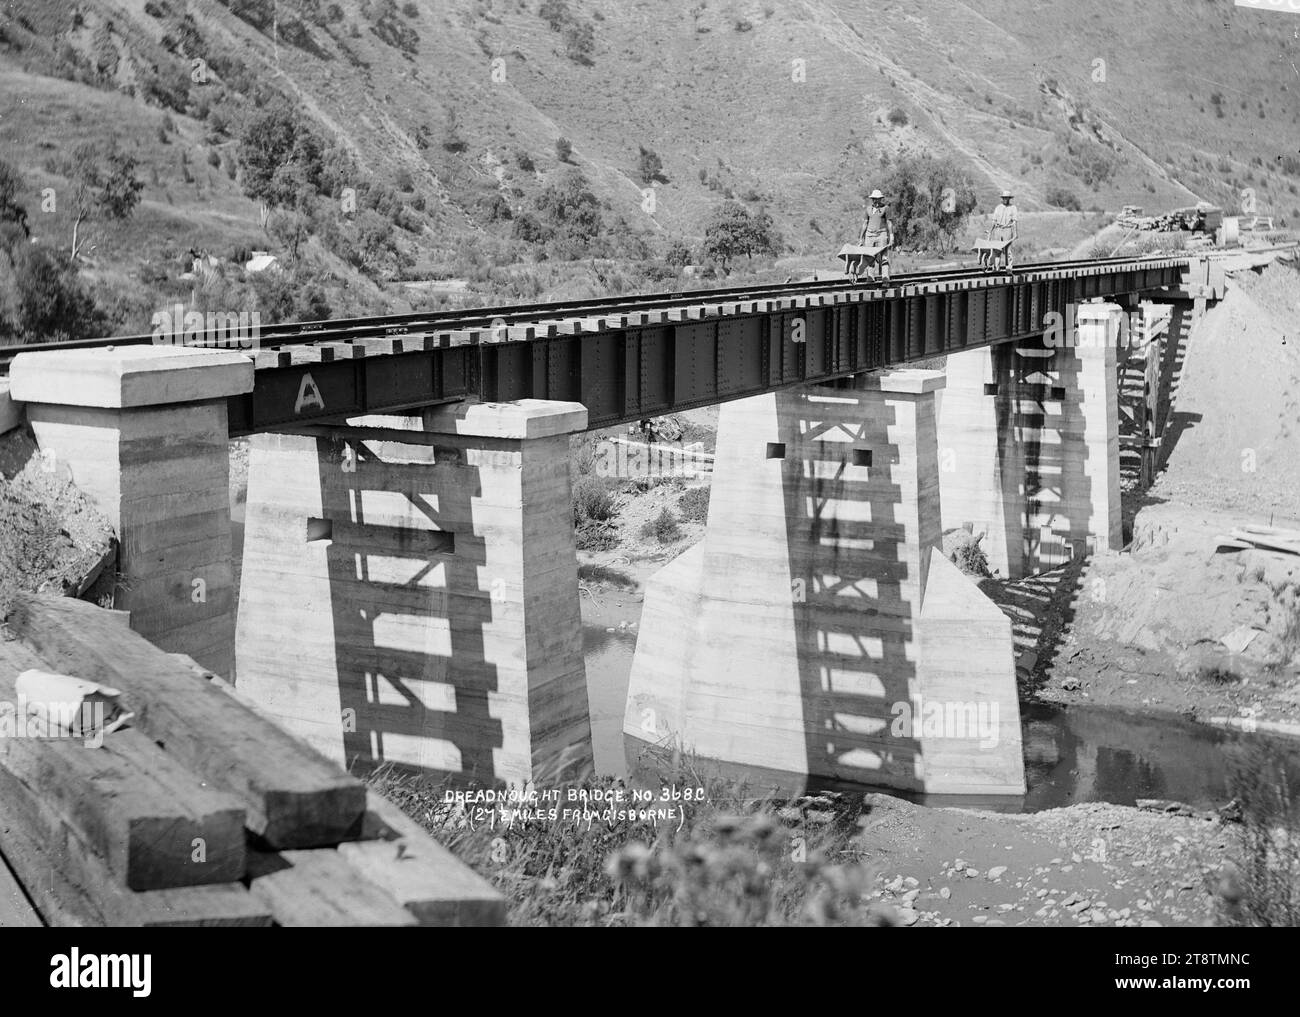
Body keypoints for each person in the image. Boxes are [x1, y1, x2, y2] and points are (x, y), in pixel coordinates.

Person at [856, 189, 894, 282]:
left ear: (881, 199)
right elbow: (865, 223)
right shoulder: (868, 209)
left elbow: (889, 223)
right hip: (869, 235)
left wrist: (891, 236)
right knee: (870, 257)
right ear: (872, 199)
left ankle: (885, 279)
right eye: (874, 199)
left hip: (882, 234)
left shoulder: (886, 208)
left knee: (884, 258)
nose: (876, 201)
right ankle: (870, 278)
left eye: (878, 199)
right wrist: (861, 238)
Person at [987, 188, 1018, 270]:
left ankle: (1008, 268)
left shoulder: (1013, 208)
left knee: (1008, 250)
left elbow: (1014, 221)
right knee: (997, 250)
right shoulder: (998, 208)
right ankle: (996, 268)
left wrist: (1015, 233)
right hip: (998, 230)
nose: (1005, 199)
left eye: (1007, 198)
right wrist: (990, 231)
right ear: (1002, 198)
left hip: (1007, 230)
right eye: (1004, 198)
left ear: (1009, 199)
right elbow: (994, 221)